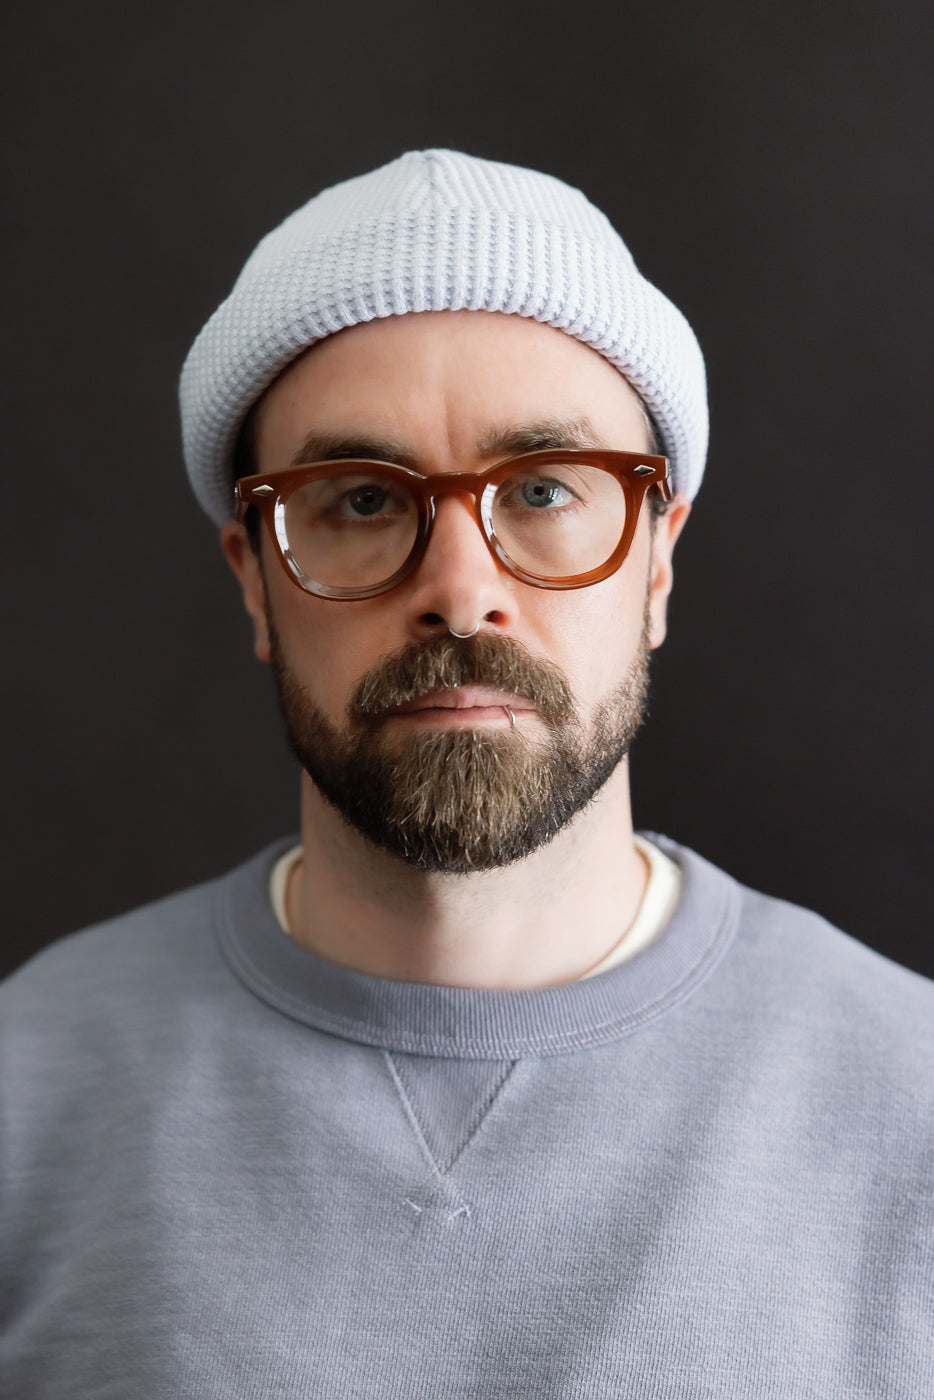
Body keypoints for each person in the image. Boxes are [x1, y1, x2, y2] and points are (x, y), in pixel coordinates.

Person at [1, 150, 931, 1398]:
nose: (460, 590)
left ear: (656, 562)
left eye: (546, 488)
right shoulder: (28, 1093)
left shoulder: (907, 1109)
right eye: (362, 501)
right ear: (253, 579)